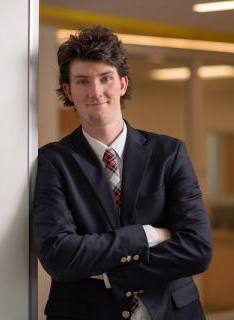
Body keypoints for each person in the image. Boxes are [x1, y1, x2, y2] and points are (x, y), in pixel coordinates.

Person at [33, 25, 213, 320]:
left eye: (105, 78)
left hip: (171, 312)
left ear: (123, 84)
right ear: (68, 90)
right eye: (82, 81)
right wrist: (148, 235)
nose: (95, 91)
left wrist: (112, 276)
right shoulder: (52, 161)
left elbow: (197, 248)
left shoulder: (169, 153)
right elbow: (59, 255)